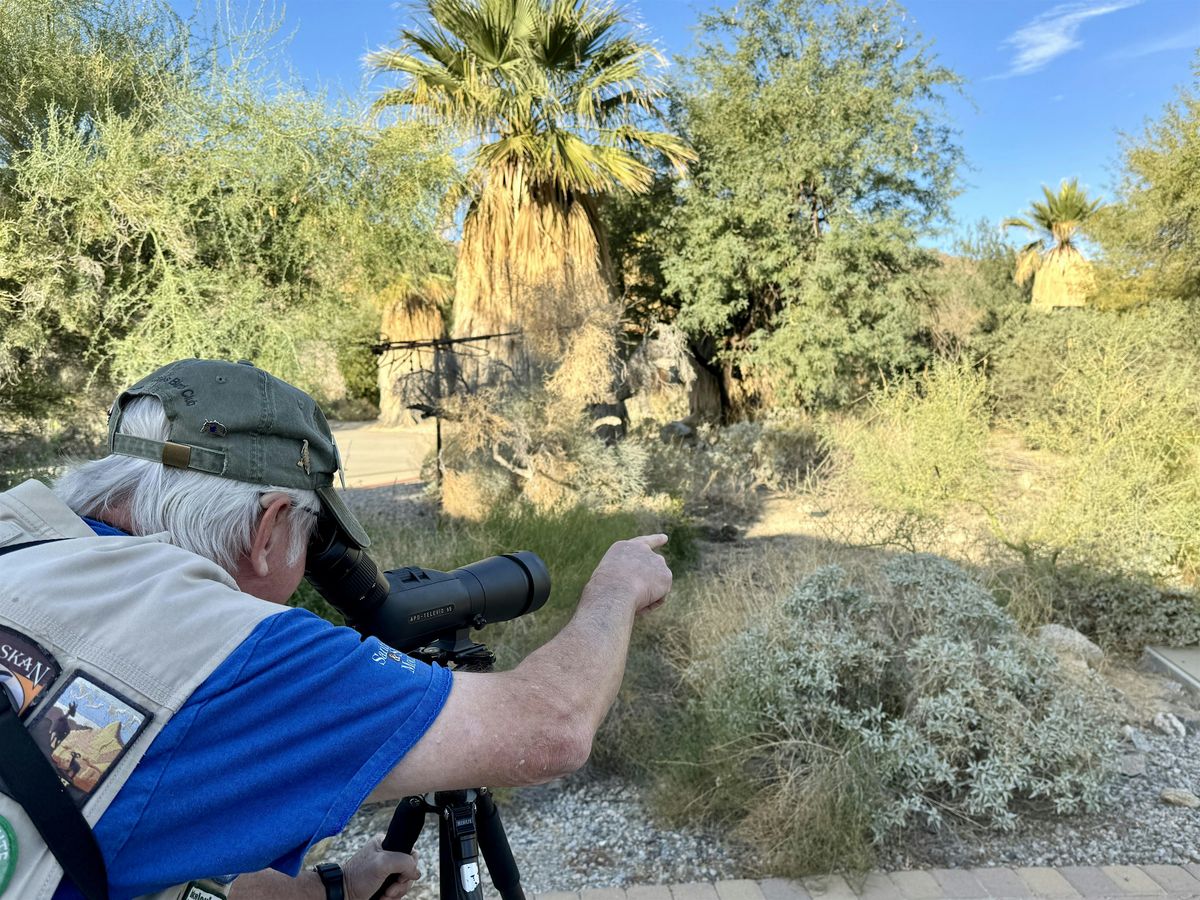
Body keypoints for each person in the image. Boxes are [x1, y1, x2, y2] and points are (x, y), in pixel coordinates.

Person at [0, 358, 672, 900]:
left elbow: (143, 832)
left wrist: (331, 888)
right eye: (312, 539)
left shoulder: (18, 542)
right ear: (267, 531)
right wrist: (616, 588)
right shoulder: (215, 647)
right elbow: (550, 726)